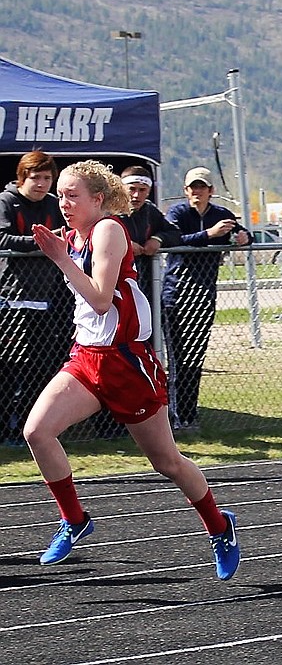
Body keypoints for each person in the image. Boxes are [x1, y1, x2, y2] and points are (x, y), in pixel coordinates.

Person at [23, 160, 240, 579]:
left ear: (98, 199)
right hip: (87, 356)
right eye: (60, 196)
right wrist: (63, 254)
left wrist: (62, 260)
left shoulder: (108, 230)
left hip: (126, 361)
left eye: (72, 196)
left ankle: (218, 525)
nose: (63, 204)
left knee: (167, 462)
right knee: (37, 431)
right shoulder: (73, 236)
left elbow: (102, 300)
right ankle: (74, 519)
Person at [162, 167, 252, 431]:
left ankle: (190, 414)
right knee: (177, 359)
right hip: (176, 294)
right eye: (192, 187)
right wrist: (209, 235)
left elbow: (244, 235)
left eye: (202, 187)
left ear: (211, 191)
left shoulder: (221, 214)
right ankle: (176, 415)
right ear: (185, 190)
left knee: (195, 358)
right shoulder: (178, 213)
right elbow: (175, 239)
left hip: (204, 293)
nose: (196, 192)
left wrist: (243, 238)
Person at [0, 151, 73, 445]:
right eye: (36, 178)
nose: (41, 184)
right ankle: (6, 429)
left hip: (47, 300)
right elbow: (2, 238)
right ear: (22, 177)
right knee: (9, 367)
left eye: (47, 178)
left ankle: (29, 429)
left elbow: (67, 233)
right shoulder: (6, 201)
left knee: (40, 367)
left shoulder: (54, 204)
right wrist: (43, 240)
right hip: (12, 300)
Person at [119, 165, 181, 304]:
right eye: (132, 189)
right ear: (121, 188)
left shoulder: (149, 211)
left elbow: (174, 233)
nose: (136, 195)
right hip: (115, 283)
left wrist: (157, 239)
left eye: (142, 190)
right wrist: (125, 245)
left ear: (148, 192)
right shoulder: (108, 210)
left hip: (145, 283)